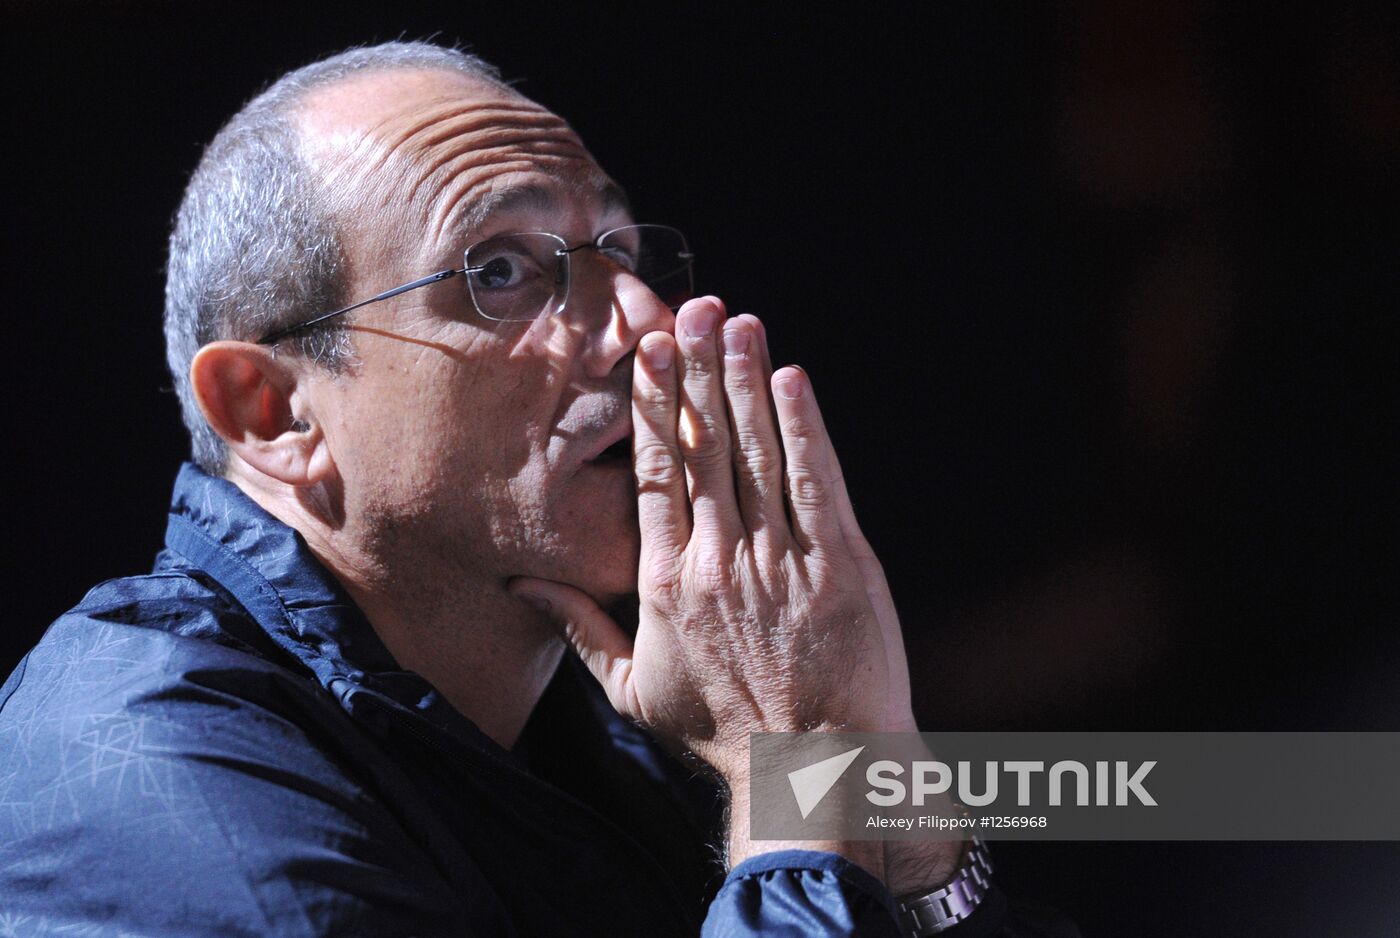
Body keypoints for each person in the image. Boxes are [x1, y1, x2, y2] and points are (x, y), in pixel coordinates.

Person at [0, 42, 1076, 936]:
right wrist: (788, 779)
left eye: (620, 252)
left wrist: (895, 815)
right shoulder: (143, 763)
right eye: (501, 270)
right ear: (273, 411)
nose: (645, 325)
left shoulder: (614, 738)